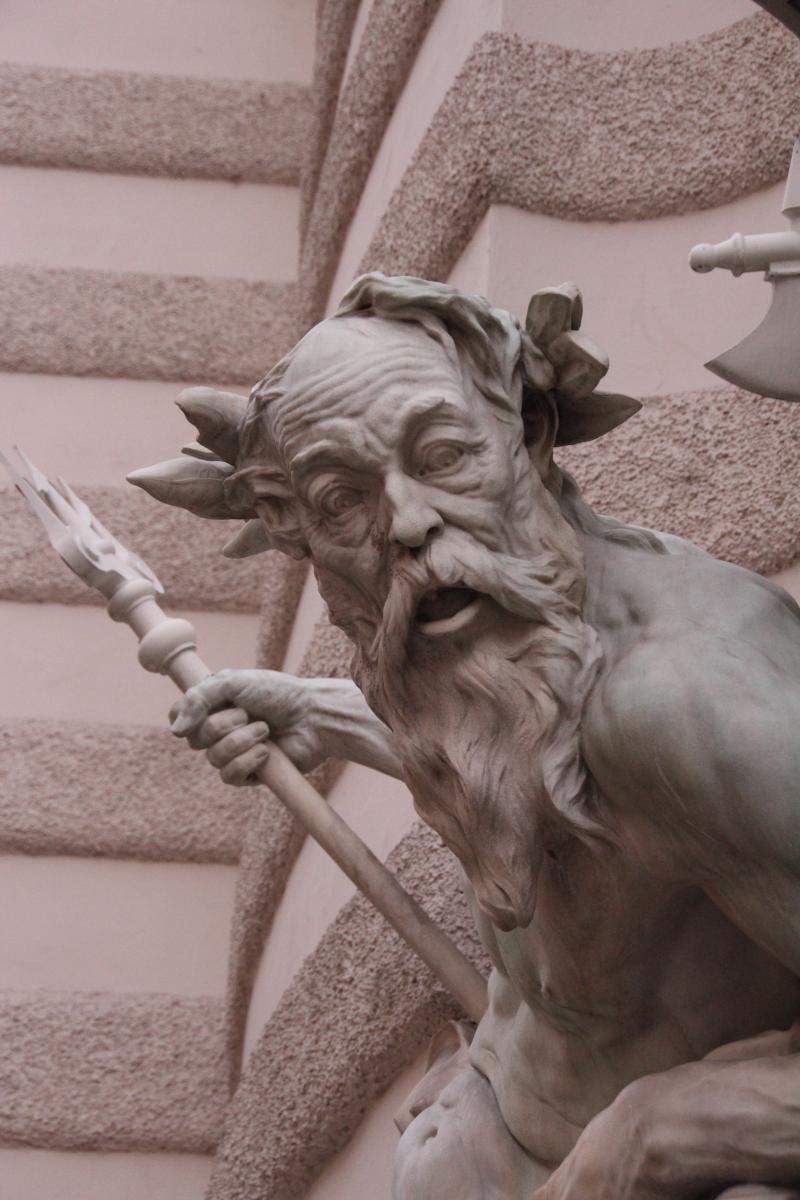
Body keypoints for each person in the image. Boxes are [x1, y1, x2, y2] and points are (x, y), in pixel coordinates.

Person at [138, 274, 800, 1200]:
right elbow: (537, 750)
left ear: (527, 434)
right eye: (341, 501)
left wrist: (647, 1138)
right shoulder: (505, 643)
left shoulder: (688, 708)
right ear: (304, 544)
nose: (408, 523)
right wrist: (326, 714)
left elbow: (627, 750)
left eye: (443, 455)